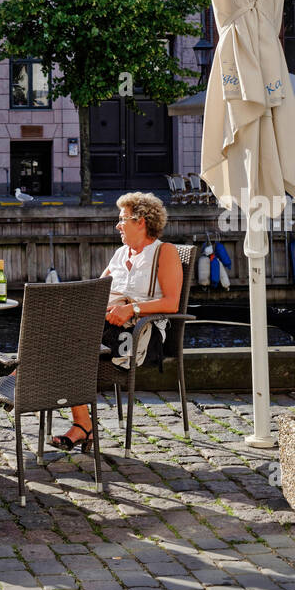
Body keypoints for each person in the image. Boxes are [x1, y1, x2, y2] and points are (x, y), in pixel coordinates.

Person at [50, 191, 183, 452]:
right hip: (107, 327)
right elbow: (96, 294)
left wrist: (131, 309)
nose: (117, 225)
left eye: (122, 219)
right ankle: (82, 425)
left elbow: (171, 304)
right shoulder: (120, 254)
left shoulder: (164, 252)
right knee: (58, 332)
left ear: (141, 221)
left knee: (64, 345)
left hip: (141, 334)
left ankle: (20, 380)